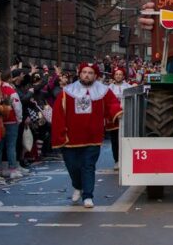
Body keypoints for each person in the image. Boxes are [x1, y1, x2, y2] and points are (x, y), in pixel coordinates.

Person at [51, 63, 122, 208]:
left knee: (88, 166)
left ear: (95, 76)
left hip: (92, 137)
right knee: (73, 167)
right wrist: (60, 135)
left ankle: (88, 195)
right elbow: (58, 114)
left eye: (90, 73)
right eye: (84, 72)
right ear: (79, 74)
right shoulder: (67, 91)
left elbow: (112, 104)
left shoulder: (103, 91)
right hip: (70, 138)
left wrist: (117, 112)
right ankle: (77, 186)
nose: (87, 75)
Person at [107, 67, 131, 171]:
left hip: (126, 116)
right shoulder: (109, 88)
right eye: (116, 74)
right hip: (114, 118)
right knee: (115, 140)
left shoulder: (128, 87)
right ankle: (116, 160)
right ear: (114, 76)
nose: (118, 76)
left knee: (125, 139)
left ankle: (126, 160)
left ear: (123, 76)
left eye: (120, 74)